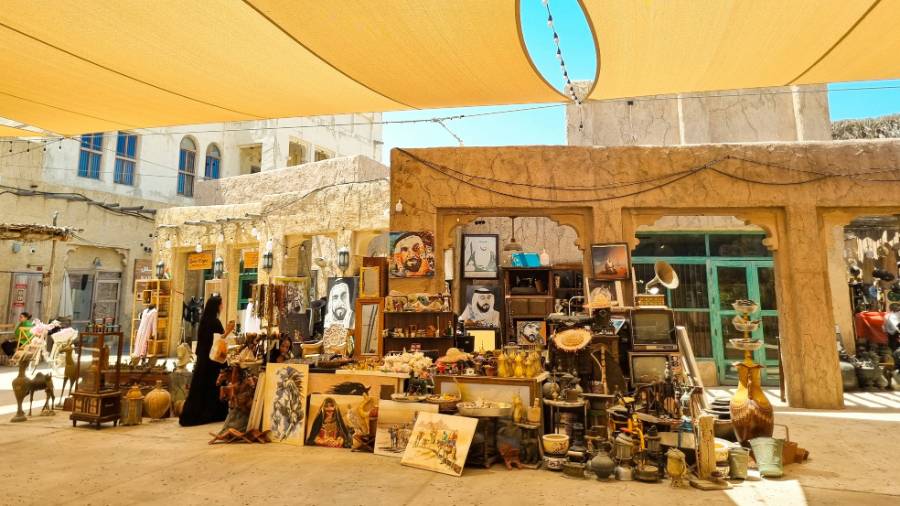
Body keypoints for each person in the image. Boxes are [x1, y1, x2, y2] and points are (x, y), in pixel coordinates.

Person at [179, 295, 234, 427]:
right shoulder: (214, 322)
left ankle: (194, 414)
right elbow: (218, 341)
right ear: (217, 306)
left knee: (200, 388)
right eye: (221, 304)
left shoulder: (204, 321)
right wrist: (228, 331)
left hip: (204, 361)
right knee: (213, 387)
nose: (222, 306)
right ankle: (212, 414)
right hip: (212, 363)